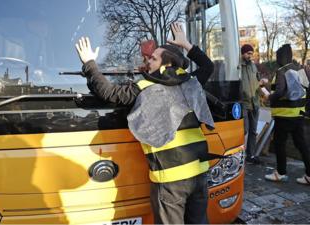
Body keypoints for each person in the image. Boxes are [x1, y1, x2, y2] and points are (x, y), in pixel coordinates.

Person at [75, 23, 215, 224]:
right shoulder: (189, 82)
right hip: (199, 174)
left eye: (153, 58)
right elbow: (209, 66)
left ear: (166, 65)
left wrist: (89, 62)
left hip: (170, 181)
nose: (148, 61)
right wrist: (186, 44)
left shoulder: (143, 87)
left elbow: (108, 93)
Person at [264, 44, 310, 185]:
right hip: (299, 114)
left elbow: (279, 91)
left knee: (280, 144)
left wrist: (268, 97)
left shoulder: (281, 71)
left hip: (284, 116)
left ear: (280, 57)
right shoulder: (300, 70)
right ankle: (309, 175)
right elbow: (306, 89)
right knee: (301, 144)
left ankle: (281, 173)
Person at [240, 44, 261, 164]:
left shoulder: (253, 66)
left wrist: (261, 83)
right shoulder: (237, 66)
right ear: (243, 53)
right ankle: (239, 155)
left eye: (251, 54)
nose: (250, 56)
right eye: (248, 53)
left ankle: (251, 155)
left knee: (253, 131)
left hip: (255, 103)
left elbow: (257, 80)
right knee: (244, 130)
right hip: (244, 103)